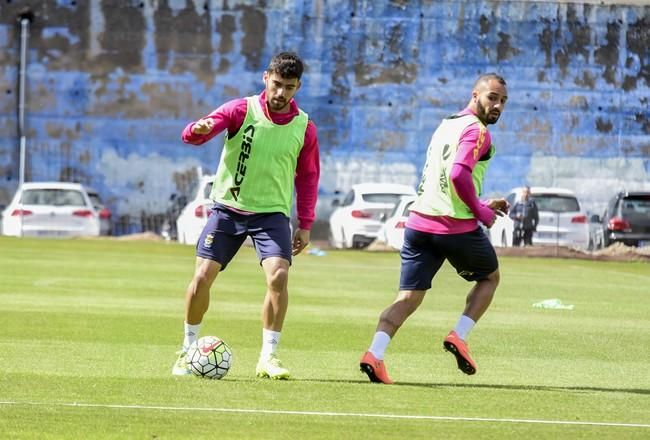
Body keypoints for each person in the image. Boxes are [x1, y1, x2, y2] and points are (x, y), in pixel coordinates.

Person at [172, 52, 320, 380]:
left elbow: (308, 177)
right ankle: (186, 349)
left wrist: (305, 223)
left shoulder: (304, 127)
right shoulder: (241, 109)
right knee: (200, 279)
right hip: (228, 210)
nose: (281, 93)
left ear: (298, 87)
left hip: (271, 215)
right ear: (265, 78)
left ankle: (268, 357)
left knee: (278, 276)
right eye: (277, 84)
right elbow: (194, 135)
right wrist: (199, 128)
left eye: (289, 87)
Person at [360, 73, 509, 384]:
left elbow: (444, 178)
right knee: (490, 277)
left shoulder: (447, 123)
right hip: (453, 226)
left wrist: (480, 201)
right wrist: (480, 210)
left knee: (408, 298)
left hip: (418, 225)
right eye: (492, 97)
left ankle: (374, 354)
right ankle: (460, 335)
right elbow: (457, 175)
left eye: (503, 101)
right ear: (475, 95)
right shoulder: (478, 130)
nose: (497, 105)